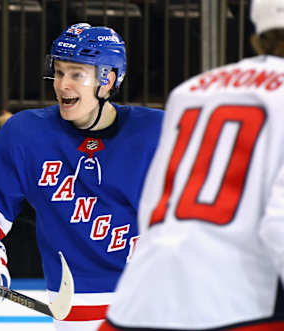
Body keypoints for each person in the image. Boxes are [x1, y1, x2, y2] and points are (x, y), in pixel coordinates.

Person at [0, 23, 163, 331]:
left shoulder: (159, 133)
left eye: (76, 74)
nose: (63, 85)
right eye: (59, 73)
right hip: (78, 318)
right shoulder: (26, 135)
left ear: (107, 79)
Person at [99, 1, 284, 330]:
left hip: (138, 302)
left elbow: (154, 202)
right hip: (241, 308)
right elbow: (279, 224)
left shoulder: (192, 91)